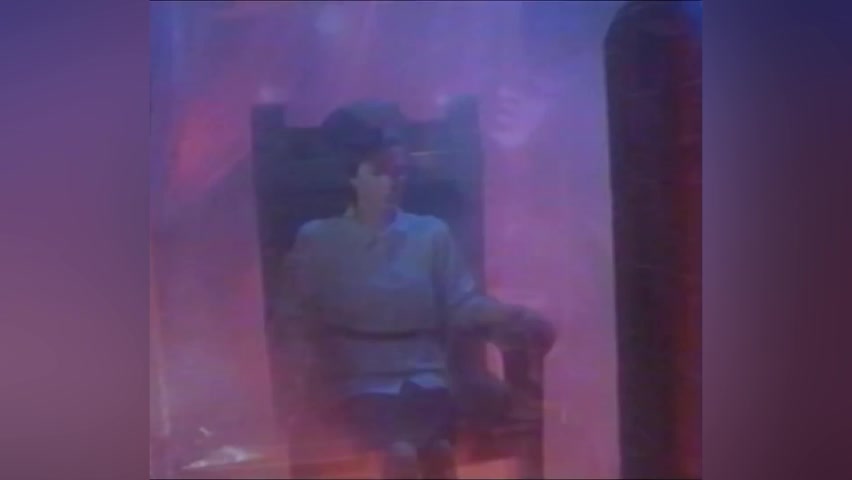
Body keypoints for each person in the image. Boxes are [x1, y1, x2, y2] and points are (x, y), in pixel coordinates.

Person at [278, 100, 551, 479]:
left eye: (400, 172)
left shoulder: (430, 233)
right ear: (353, 177)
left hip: (426, 379)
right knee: (401, 453)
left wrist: (499, 314)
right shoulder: (320, 239)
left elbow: (461, 302)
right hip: (355, 383)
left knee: (438, 450)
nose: (393, 183)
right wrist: (295, 381)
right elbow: (293, 316)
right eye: (380, 172)